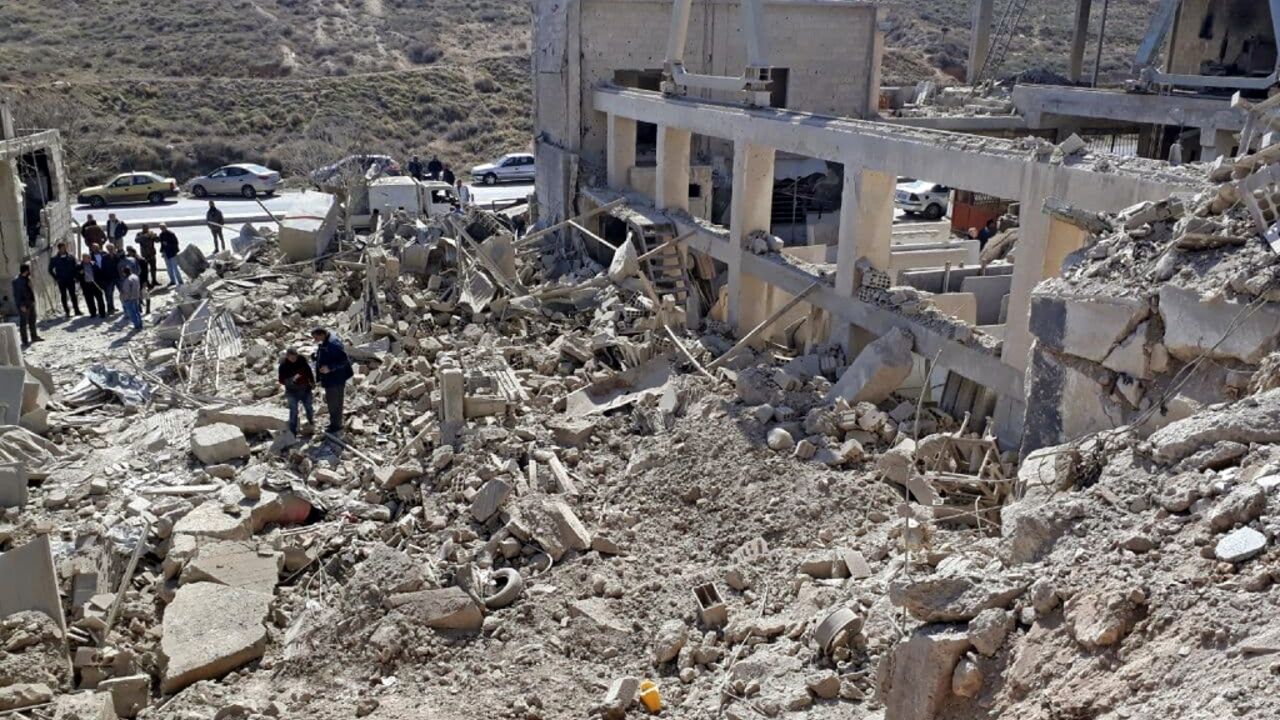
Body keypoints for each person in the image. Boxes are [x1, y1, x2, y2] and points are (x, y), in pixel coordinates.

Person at [312, 328, 353, 434]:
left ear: (321, 334)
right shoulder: (326, 341)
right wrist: (317, 358)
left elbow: (344, 359)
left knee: (335, 403)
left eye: (316, 337)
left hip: (336, 379)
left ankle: (336, 426)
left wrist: (330, 368)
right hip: (331, 379)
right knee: (332, 402)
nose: (315, 340)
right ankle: (334, 423)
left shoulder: (333, 343)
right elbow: (328, 355)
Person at [278, 347, 316, 435]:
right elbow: (281, 380)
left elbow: (308, 370)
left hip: (305, 389)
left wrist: (312, 381)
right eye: (292, 358)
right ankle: (292, 431)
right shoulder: (283, 365)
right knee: (293, 411)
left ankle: (311, 422)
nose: (294, 359)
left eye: (295, 357)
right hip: (292, 391)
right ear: (287, 356)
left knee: (309, 407)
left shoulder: (301, 359)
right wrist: (292, 379)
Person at [48, 242, 81, 317]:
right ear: (59, 249)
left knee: (73, 295)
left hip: (70, 279)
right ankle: (67, 311)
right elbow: (50, 269)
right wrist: (56, 278)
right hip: (61, 280)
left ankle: (76, 310)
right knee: (63, 296)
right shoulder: (55, 259)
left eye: (64, 247)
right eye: (62, 248)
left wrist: (76, 277)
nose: (64, 249)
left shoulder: (71, 257)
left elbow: (75, 267)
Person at [11, 264, 40, 346]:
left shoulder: (28, 279)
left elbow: (30, 290)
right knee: (23, 323)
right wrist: (21, 306)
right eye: (29, 270)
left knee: (32, 320)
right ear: (26, 271)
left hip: (30, 302)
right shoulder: (16, 281)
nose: (30, 271)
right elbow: (16, 295)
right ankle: (25, 341)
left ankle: (34, 336)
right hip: (23, 305)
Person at [79, 254, 105, 318]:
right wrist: (80, 273)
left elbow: (100, 274)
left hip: (95, 284)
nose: (85, 259)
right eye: (84, 258)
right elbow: (76, 275)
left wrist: (101, 284)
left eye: (86, 258)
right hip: (86, 285)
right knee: (89, 300)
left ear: (89, 258)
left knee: (100, 299)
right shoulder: (80, 266)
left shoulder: (94, 265)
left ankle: (102, 313)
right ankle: (93, 313)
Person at [97, 243, 120, 315]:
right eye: (109, 249)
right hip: (109, 279)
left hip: (118, 277)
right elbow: (103, 268)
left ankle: (126, 307)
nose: (110, 250)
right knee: (109, 295)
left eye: (112, 249)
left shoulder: (117, 256)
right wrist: (104, 279)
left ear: (114, 249)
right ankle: (110, 308)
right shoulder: (104, 257)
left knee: (123, 292)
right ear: (107, 250)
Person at [128, 248, 152, 314]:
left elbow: (145, 272)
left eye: (129, 253)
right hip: (135, 280)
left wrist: (145, 281)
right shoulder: (130, 260)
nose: (128, 254)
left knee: (146, 294)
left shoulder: (141, 260)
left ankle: (148, 309)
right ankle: (139, 308)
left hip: (142, 279)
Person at [118, 266, 143, 331]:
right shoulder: (135, 276)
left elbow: (126, 291)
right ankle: (140, 324)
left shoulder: (127, 280)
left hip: (129, 299)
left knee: (132, 314)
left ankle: (136, 326)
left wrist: (123, 297)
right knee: (137, 312)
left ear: (124, 273)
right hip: (136, 297)